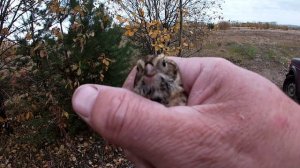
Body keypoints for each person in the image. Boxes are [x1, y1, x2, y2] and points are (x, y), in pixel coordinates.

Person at [72, 57, 300, 168]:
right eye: (144, 71)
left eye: (161, 69)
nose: (150, 73)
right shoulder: (143, 92)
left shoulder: (181, 94)